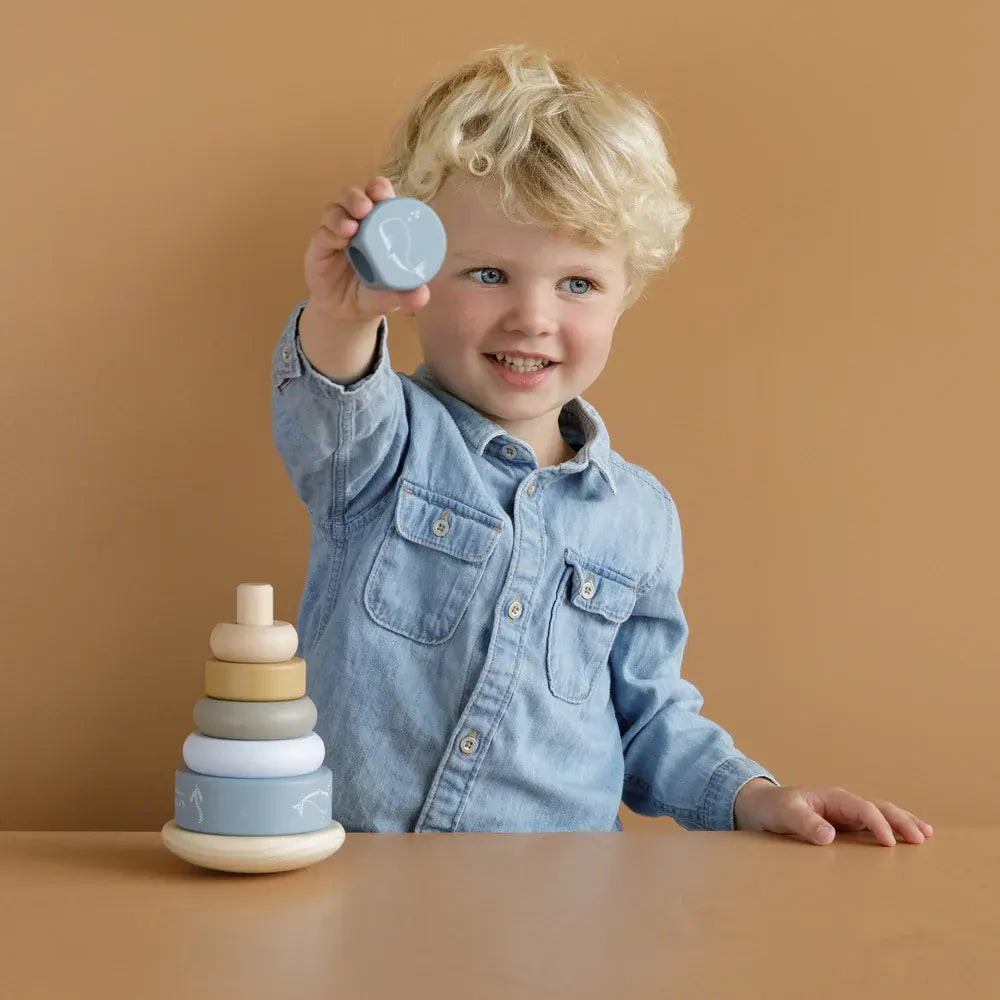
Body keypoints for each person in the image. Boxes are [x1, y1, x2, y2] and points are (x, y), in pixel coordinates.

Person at [270, 44, 932, 846]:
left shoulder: (639, 517)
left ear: (627, 294)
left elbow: (650, 720)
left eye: (576, 283)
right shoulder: (383, 446)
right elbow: (330, 398)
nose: (533, 317)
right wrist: (345, 314)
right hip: (361, 882)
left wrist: (754, 795)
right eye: (487, 274)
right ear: (418, 279)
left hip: (559, 909)